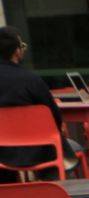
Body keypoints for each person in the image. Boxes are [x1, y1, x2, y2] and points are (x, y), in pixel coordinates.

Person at [0, 26, 66, 178]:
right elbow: (54, 118)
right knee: (56, 143)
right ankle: (54, 191)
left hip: (1, 152)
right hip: (37, 151)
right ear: (17, 51)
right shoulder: (31, 80)